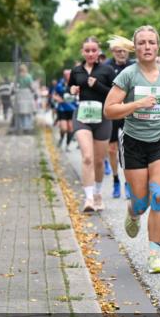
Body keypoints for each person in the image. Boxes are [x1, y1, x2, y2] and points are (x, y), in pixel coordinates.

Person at [103, 25, 160, 274]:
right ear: (135, 47)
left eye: (151, 42)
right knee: (141, 203)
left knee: (159, 196)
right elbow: (109, 109)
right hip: (134, 143)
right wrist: (138, 103)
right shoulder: (128, 76)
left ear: (158, 46)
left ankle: (154, 255)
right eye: (142, 43)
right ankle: (133, 212)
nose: (147, 47)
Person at [69, 37, 118, 212]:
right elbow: (71, 88)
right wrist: (72, 90)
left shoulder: (107, 70)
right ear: (83, 52)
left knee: (98, 161)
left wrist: (97, 85)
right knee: (87, 157)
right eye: (87, 50)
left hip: (102, 118)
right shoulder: (77, 71)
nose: (90, 53)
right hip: (82, 116)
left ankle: (97, 194)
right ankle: (88, 198)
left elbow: (115, 94)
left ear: (98, 52)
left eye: (93, 50)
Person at [105, 38, 136, 198]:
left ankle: (128, 182)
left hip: (128, 111)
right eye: (118, 51)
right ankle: (116, 179)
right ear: (113, 52)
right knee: (111, 149)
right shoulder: (106, 67)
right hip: (112, 113)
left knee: (127, 149)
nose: (121, 54)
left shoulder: (133, 66)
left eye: (124, 51)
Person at [53, 69, 76, 150]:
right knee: (64, 128)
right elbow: (54, 95)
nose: (67, 76)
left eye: (69, 74)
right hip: (62, 109)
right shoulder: (60, 85)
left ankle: (67, 145)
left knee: (71, 128)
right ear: (64, 75)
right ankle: (62, 138)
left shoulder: (75, 84)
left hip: (72, 109)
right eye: (66, 75)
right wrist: (57, 98)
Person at [15, 65, 36, 133]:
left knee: (21, 112)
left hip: (20, 94)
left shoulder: (18, 77)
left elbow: (16, 86)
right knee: (28, 111)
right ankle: (27, 126)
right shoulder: (28, 76)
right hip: (27, 94)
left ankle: (22, 126)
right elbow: (31, 86)